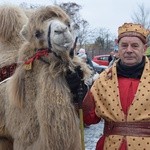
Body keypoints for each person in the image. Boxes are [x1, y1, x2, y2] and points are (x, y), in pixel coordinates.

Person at [66, 22, 150, 150]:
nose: (128, 50)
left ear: (144, 48)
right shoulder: (103, 79)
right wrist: (78, 91)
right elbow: (89, 118)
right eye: (124, 45)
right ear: (118, 47)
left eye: (134, 46)